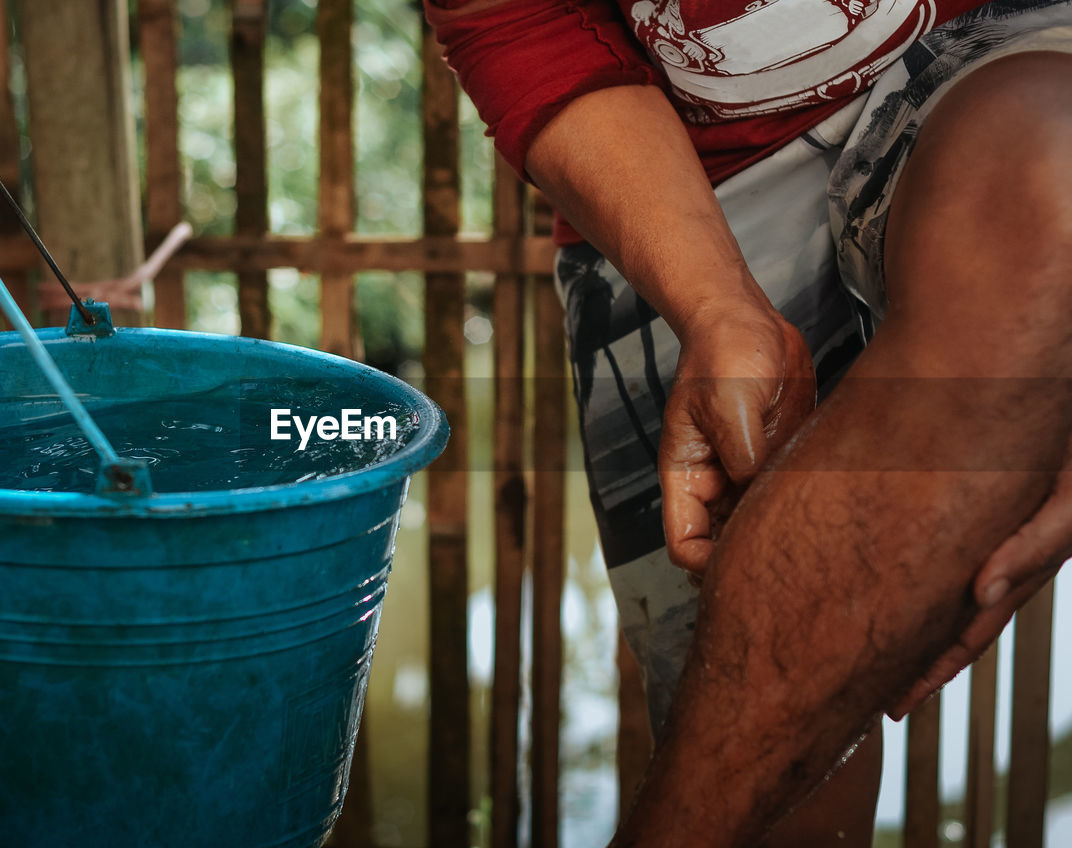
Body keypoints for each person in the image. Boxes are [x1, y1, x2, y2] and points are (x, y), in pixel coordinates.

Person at [426, 0, 1072, 844]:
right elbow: (517, 19)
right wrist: (714, 308)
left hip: (1013, 59)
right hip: (671, 165)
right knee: (748, 720)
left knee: (1053, 189)